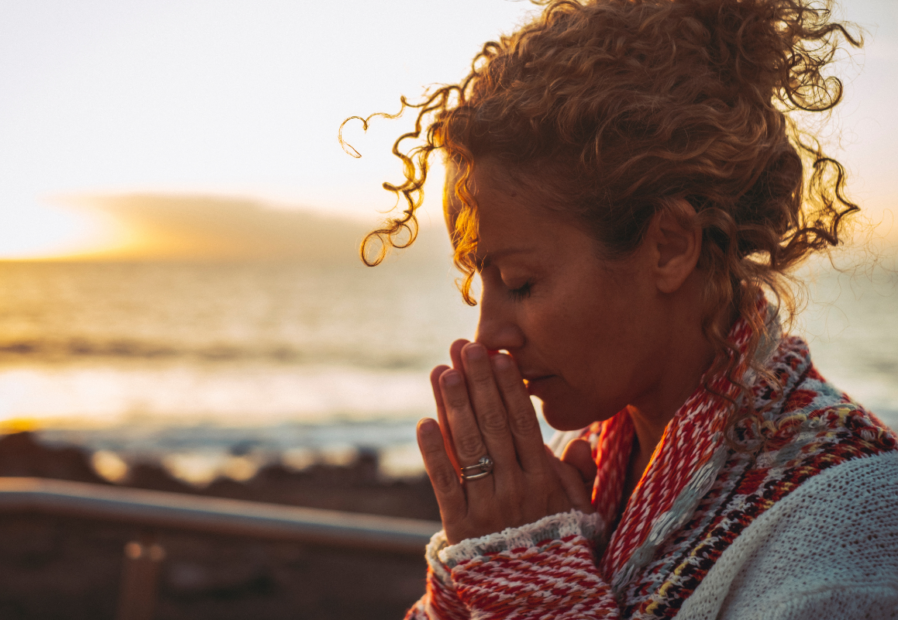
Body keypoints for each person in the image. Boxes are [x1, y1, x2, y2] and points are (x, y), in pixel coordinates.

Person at [345, 0, 898, 617]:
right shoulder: (591, 465)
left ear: (669, 246)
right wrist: (493, 560)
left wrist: (532, 584)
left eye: (520, 282)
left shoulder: (853, 516)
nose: (488, 336)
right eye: (482, 284)